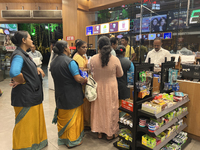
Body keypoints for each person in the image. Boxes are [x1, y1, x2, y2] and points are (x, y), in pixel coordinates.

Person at [9, 31, 47, 150]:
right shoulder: (18, 55)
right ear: (24, 40)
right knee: (25, 125)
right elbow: (14, 72)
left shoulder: (24, 54)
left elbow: (26, 68)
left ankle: (35, 144)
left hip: (31, 96)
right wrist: (22, 80)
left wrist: (36, 69)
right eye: (30, 38)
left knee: (33, 124)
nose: (32, 41)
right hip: (25, 97)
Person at [50, 40, 87, 148]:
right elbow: (77, 78)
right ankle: (73, 140)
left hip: (60, 94)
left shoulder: (53, 62)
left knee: (63, 115)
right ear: (65, 48)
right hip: (73, 95)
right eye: (68, 47)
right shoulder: (70, 62)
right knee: (73, 118)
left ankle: (63, 139)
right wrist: (84, 80)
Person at [89, 36, 123, 140]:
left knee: (99, 110)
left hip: (98, 87)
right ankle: (110, 133)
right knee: (111, 109)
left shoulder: (93, 59)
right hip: (111, 87)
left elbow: (91, 73)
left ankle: (99, 132)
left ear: (99, 46)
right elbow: (120, 74)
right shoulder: (115, 59)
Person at [72, 40, 90, 127]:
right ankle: (85, 123)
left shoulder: (82, 56)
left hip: (85, 82)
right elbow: (81, 70)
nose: (85, 49)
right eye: (83, 47)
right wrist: (89, 69)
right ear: (78, 48)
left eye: (86, 47)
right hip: (82, 83)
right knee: (84, 104)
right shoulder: (78, 58)